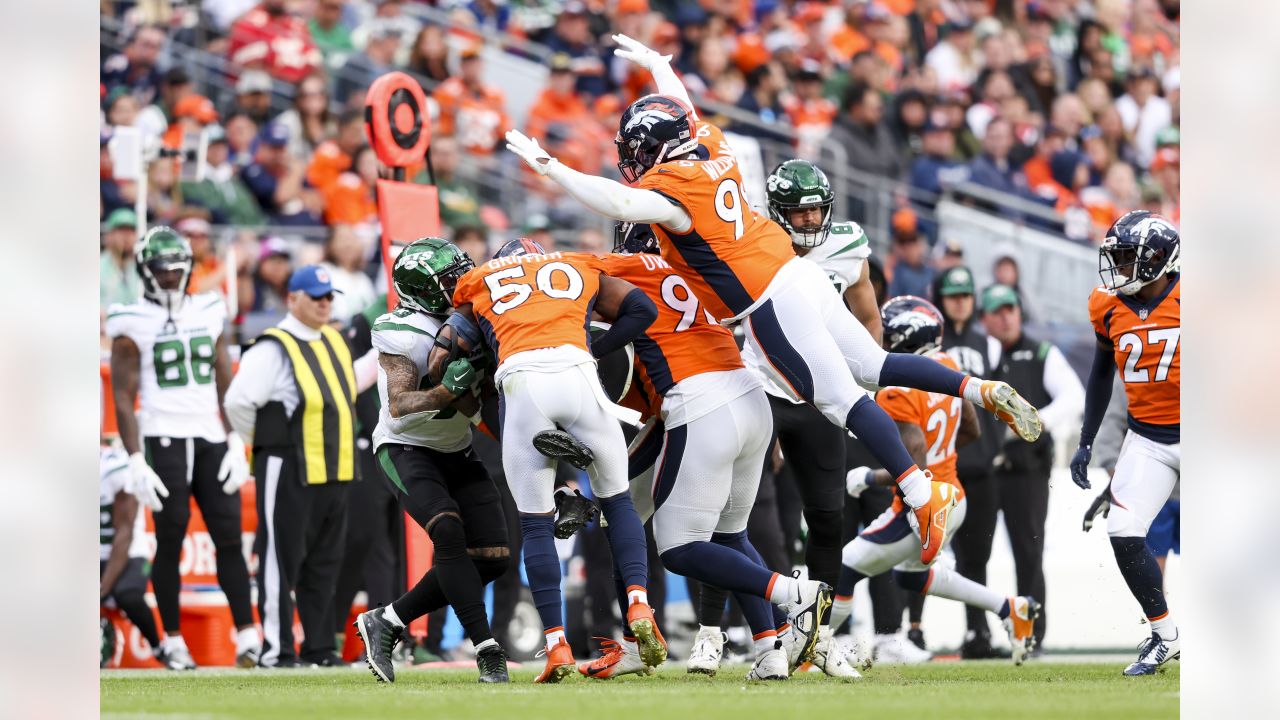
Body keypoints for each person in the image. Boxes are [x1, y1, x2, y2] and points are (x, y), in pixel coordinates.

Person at [506, 34, 1043, 576]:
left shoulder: (672, 186)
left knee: (840, 399)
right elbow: (685, 111)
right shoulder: (712, 144)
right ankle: (980, 389)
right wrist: (660, 68)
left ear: (658, 150)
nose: (633, 159)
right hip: (794, 275)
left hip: (766, 301)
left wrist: (552, 167)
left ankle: (920, 493)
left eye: (639, 149)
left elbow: (620, 199)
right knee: (874, 370)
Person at [578, 236, 840, 682]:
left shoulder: (616, 275)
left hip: (699, 408)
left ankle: (796, 593)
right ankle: (769, 648)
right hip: (749, 400)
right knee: (720, 532)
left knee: (678, 546)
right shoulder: (697, 271)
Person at [446, 239, 666, 683]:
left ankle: (557, 645)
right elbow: (643, 311)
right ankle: (639, 601)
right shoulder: (575, 263)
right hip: (578, 372)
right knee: (619, 501)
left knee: (534, 523)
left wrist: (467, 367)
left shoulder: (480, 279)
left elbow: (444, 350)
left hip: (523, 381)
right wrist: (590, 348)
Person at [691, 158, 878, 678]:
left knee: (827, 517)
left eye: (818, 211)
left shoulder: (847, 245)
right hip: (760, 391)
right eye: (800, 213)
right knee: (729, 513)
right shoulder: (753, 242)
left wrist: (865, 376)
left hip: (818, 399)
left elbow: (866, 312)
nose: (811, 222)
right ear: (776, 214)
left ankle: (815, 635)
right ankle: (711, 631)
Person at [830, 296, 1041, 665]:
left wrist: (867, 476)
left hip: (926, 505)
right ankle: (1010, 609)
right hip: (954, 494)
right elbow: (971, 429)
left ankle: (814, 645)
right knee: (913, 577)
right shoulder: (947, 366)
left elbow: (914, 463)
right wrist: (941, 451)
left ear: (905, 337)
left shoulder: (897, 388)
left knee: (846, 566)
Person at [352, 238, 512, 684]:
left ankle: (387, 620)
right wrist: (446, 391)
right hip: (406, 447)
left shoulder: (474, 313)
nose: (462, 283)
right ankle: (487, 649)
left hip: (456, 446)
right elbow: (401, 403)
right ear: (422, 290)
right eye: (449, 280)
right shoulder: (399, 330)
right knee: (447, 529)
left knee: (495, 557)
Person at [106, 228, 259, 669]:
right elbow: (122, 396)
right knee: (170, 537)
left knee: (229, 536)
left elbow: (223, 378)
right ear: (145, 271)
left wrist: (235, 438)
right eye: (162, 270)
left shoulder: (210, 308)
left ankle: (247, 636)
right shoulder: (129, 319)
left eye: (177, 268)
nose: (171, 277)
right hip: (162, 433)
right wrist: (136, 458)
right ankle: (172, 640)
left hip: (210, 435)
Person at [223, 265, 366, 667]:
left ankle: (319, 647)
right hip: (288, 465)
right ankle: (276, 649)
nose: (324, 304)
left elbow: (348, 385)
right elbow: (238, 401)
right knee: (279, 562)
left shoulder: (334, 341)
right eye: (316, 297)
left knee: (324, 563)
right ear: (292, 299)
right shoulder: (273, 346)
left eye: (328, 297)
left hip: (334, 467)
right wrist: (265, 442)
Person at [1069, 211, 1181, 676]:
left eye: (1127, 258)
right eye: (1115, 257)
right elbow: (1100, 374)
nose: (1118, 268)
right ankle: (1166, 635)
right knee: (1123, 528)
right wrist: (1086, 440)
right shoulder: (1106, 304)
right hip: (1149, 437)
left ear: (1157, 260)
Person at [982, 283, 1085, 652]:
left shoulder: (1042, 352)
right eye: (998, 311)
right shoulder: (981, 357)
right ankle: (977, 634)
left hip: (1026, 471)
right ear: (985, 319)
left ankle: (1031, 635)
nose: (1007, 316)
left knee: (1029, 551)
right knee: (973, 552)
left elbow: (1074, 398)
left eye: (1011, 308)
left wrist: (1032, 422)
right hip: (984, 469)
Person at [929, 265, 1004, 658]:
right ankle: (912, 630)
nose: (961, 302)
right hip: (940, 467)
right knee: (921, 553)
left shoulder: (989, 344)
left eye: (966, 295)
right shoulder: (928, 340)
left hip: (980, 465)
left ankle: (978, 633)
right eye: (953, 295)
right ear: (941, 299)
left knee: (978, 556)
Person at [99, 443, 166, 667]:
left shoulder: (114, 465)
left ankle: (159, 648)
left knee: (127, 594)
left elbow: (124, 533)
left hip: (128, 554)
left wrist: (101, 589)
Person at [101, 209, 143, 308]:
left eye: (130, 231)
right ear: (109, 235)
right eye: (121, 231)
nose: (126, 237)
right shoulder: (97, 266)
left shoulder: (143, 266)